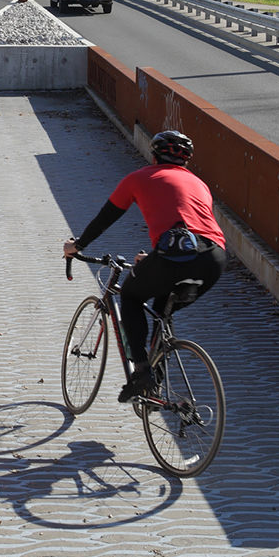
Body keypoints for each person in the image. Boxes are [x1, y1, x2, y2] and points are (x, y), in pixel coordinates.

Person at [62, 130, 227, 402]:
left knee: (131, 295)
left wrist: (77, 246)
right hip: (214, 259)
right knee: (163, 309)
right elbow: (189, 229)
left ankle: (142, 372)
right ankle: (157, 386)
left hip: (173, 255)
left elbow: (106, 218)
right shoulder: (200, 184)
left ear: (153, 156)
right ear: (187, 161)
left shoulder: (139, 178)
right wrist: (154, 258)